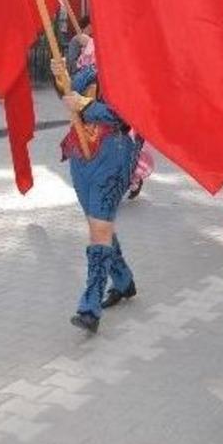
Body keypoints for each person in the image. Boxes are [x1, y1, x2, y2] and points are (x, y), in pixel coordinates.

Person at [50, 57, 139, 333]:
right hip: (80, 154)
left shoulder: (131, 66)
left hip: (113, 155)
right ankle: (123, 281)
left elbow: (129, 114)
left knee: (99, 228)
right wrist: (61, 77)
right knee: (98, 224)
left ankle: (90, 307)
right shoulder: (90, 66)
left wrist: (86, 105)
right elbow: (69, 95)